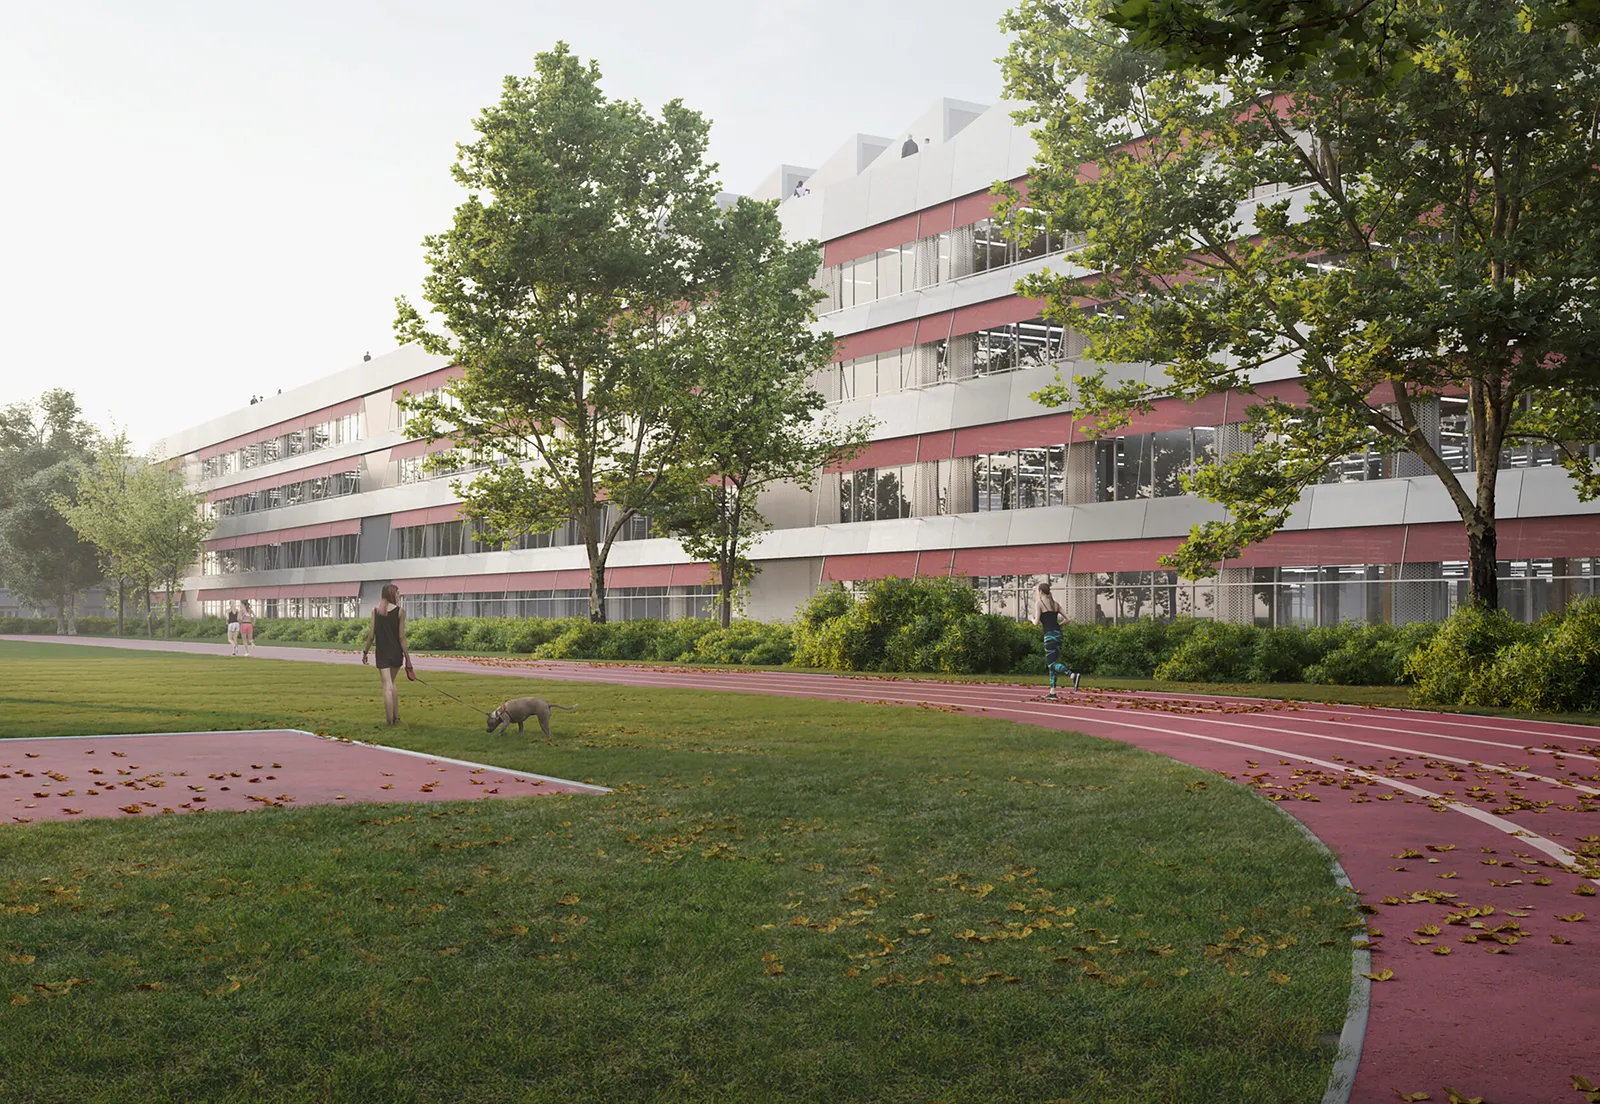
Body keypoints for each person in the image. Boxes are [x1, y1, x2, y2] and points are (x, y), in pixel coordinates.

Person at [361, 584, 412, 726]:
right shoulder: (400, 611)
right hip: (396, 653)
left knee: (387, 686)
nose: (399, 595)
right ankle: (396, 718)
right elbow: (402, 637)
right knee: (392, 684)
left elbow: (371, 635)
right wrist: (407, 658)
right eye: (397, 593)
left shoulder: (375, 611)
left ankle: (390, 721)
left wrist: (365, 652)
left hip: (382, 653)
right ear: (391, 594)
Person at [1035, 581, 1080, 699]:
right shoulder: (1055, 604)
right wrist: (1058, 626)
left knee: (1051, 663)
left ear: (1040, 591)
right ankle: (1052, 692)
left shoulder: (1039, 604)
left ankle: (1072, 675)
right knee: (1053, 664)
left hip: (1049, 636)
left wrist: (1031, 619)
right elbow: (1068, 619)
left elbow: (1036, 622)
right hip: (1058, 635)